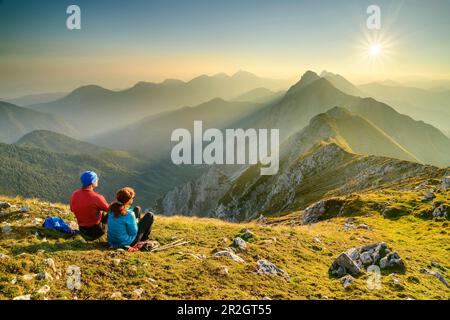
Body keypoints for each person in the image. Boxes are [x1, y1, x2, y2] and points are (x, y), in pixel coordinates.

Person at [70, 171, 109, 241]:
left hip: (82, 230)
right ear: (92, 183)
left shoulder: (74, 194)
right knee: (111, 212)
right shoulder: (97, 197)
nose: (98, 179)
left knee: (100, 211)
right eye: (96, 179)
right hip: (96, 232)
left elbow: (72, 209)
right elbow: (110, 209)